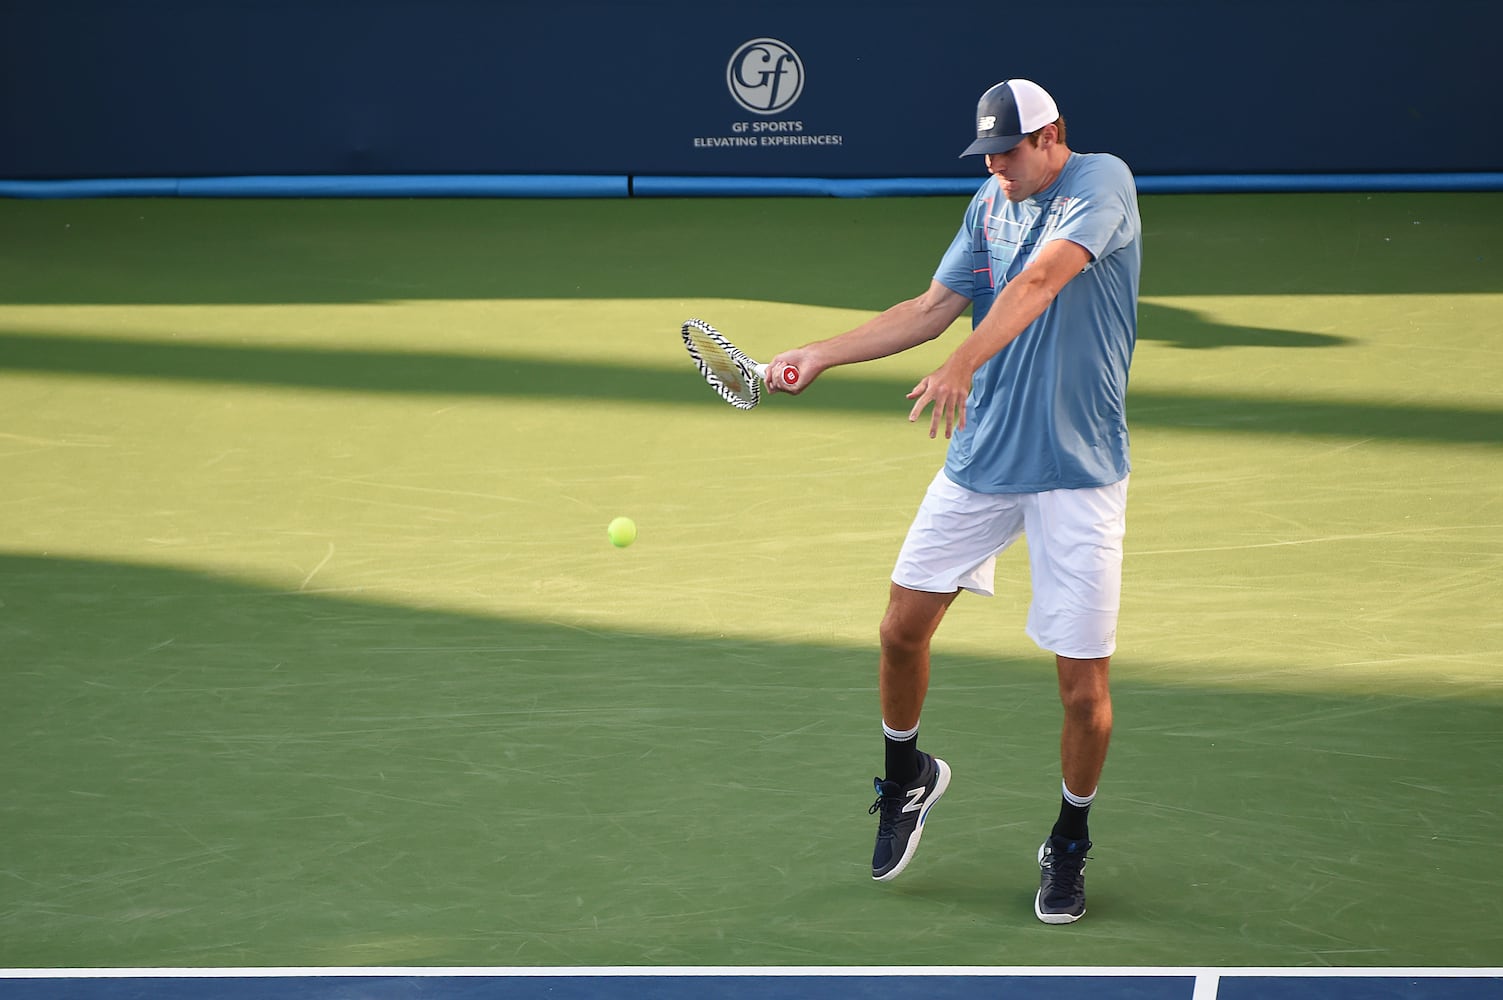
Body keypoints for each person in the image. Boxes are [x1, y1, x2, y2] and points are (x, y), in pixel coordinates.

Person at [766, 78, 1141, 924]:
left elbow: (1042, 281)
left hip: (1077, 476)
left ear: (1052, 137)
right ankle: (908, 776)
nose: (997, 168)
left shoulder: (1101, 184)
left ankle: (1068, 839)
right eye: (988, 155)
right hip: (982, 462)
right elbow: (932, 306)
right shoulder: (988, 202)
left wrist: (963, 365)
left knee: (1082, 690)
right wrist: (821, 353)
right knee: (900, 630)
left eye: (1008, 152)